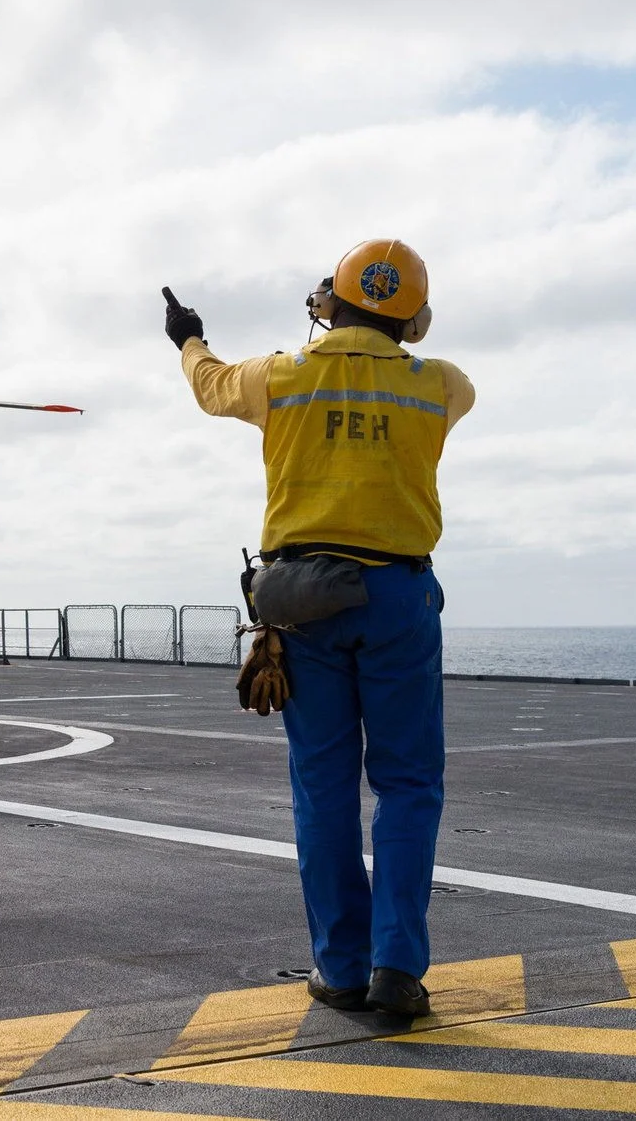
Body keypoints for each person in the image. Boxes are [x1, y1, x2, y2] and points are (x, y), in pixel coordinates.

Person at [168, 239, 474, 1018]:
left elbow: (209, 386)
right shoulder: (441, 384)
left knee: (323, 787)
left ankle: (340, 967)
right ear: (417, 319)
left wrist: (189, 339)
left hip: (302, 601)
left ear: (328, 300)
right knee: (408, 784)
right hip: (399, 597)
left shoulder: (282, 376)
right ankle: (398, 969)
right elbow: (438, 382)